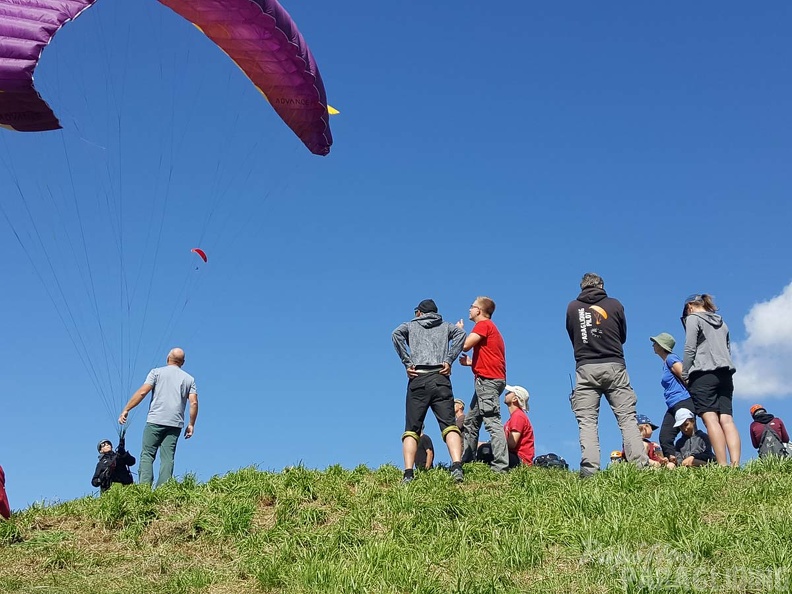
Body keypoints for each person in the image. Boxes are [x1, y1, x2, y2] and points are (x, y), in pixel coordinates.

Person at [565, 273, 648, 477]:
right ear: (601, 286)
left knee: (587, 421)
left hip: (585, 368)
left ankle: (590, 470)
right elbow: (623, 335)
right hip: (614, 366)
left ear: (582, 287)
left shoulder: (572, 307)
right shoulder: (615, 304)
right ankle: (640, 466)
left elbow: (572, 334)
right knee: (627, 418)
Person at [392, 299, 465, 484]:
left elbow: (395, 335)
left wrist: (407, 362)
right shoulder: (446, 326)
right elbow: (461, 335)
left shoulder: (409, 326)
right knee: (449, 425)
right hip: (441, 378)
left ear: (419, 313)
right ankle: (457, 467)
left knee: (411, 429)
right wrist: (449, 359)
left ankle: (408, 473)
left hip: (418, 378)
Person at [118, 347, 199, 487]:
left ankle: (144, 487)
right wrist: (191, 424)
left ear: (168, 358)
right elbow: (194, 402)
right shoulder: (189, 379)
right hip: (175, 423)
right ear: (183, 362)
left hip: (155, 420)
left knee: (148, 454)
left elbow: (143, 392)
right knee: (168, 457)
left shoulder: (156, 372)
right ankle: (163, 488)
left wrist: (127, 409)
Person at [681, 294, 740, 467]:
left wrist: (685, 373)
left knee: (710, 419)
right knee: (727, 420)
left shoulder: (693, 319)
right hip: (725, 373)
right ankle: (735, 464)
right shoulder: (722, 323)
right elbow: (727, 349)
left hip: (703, 373)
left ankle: (722, 465)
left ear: (690, 306)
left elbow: (690, 347)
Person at [457, 296, 508, 473]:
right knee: (471, 421)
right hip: (490, 380)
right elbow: (492, 356)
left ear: (479, 310)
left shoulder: (483, 325)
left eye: (472, 307)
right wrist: (473, 363)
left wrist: (459, 332)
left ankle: (501, 465)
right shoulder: (491, 328)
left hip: (487, 382)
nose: (469, 310)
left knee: (492, 421)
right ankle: (467, 461)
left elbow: (464, 345)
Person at [650, 332, 696, 459]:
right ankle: (673, 462)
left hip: (683, 401)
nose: (653, 345)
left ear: (661, 345)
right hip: (673, 404)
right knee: (665, 437)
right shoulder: (666, 362)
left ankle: (698, 461)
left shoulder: (671, 359)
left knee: (689, 433)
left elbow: (685, 376)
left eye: (655, 343)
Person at [503, 385, 535, 467]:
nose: (506, 394)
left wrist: (493, 443)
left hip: (520, 460)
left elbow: (511, 443)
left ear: (515, 399)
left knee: (486, 450)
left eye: (510, 392)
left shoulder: (518, 416)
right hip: (515, 457)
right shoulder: (514, 417)